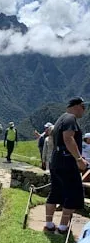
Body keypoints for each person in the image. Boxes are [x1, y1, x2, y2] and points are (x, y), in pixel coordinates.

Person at [45, 98, 88, 234]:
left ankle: (49, 223)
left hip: (56, 160)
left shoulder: (61, 119)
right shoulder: (70, 119)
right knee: (72, 193)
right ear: (77, 106)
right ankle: (63, 227)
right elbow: (68, 138)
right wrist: (79, 159)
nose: (84, 110)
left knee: (55, 191)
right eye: (83, 107)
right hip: (67, 162)